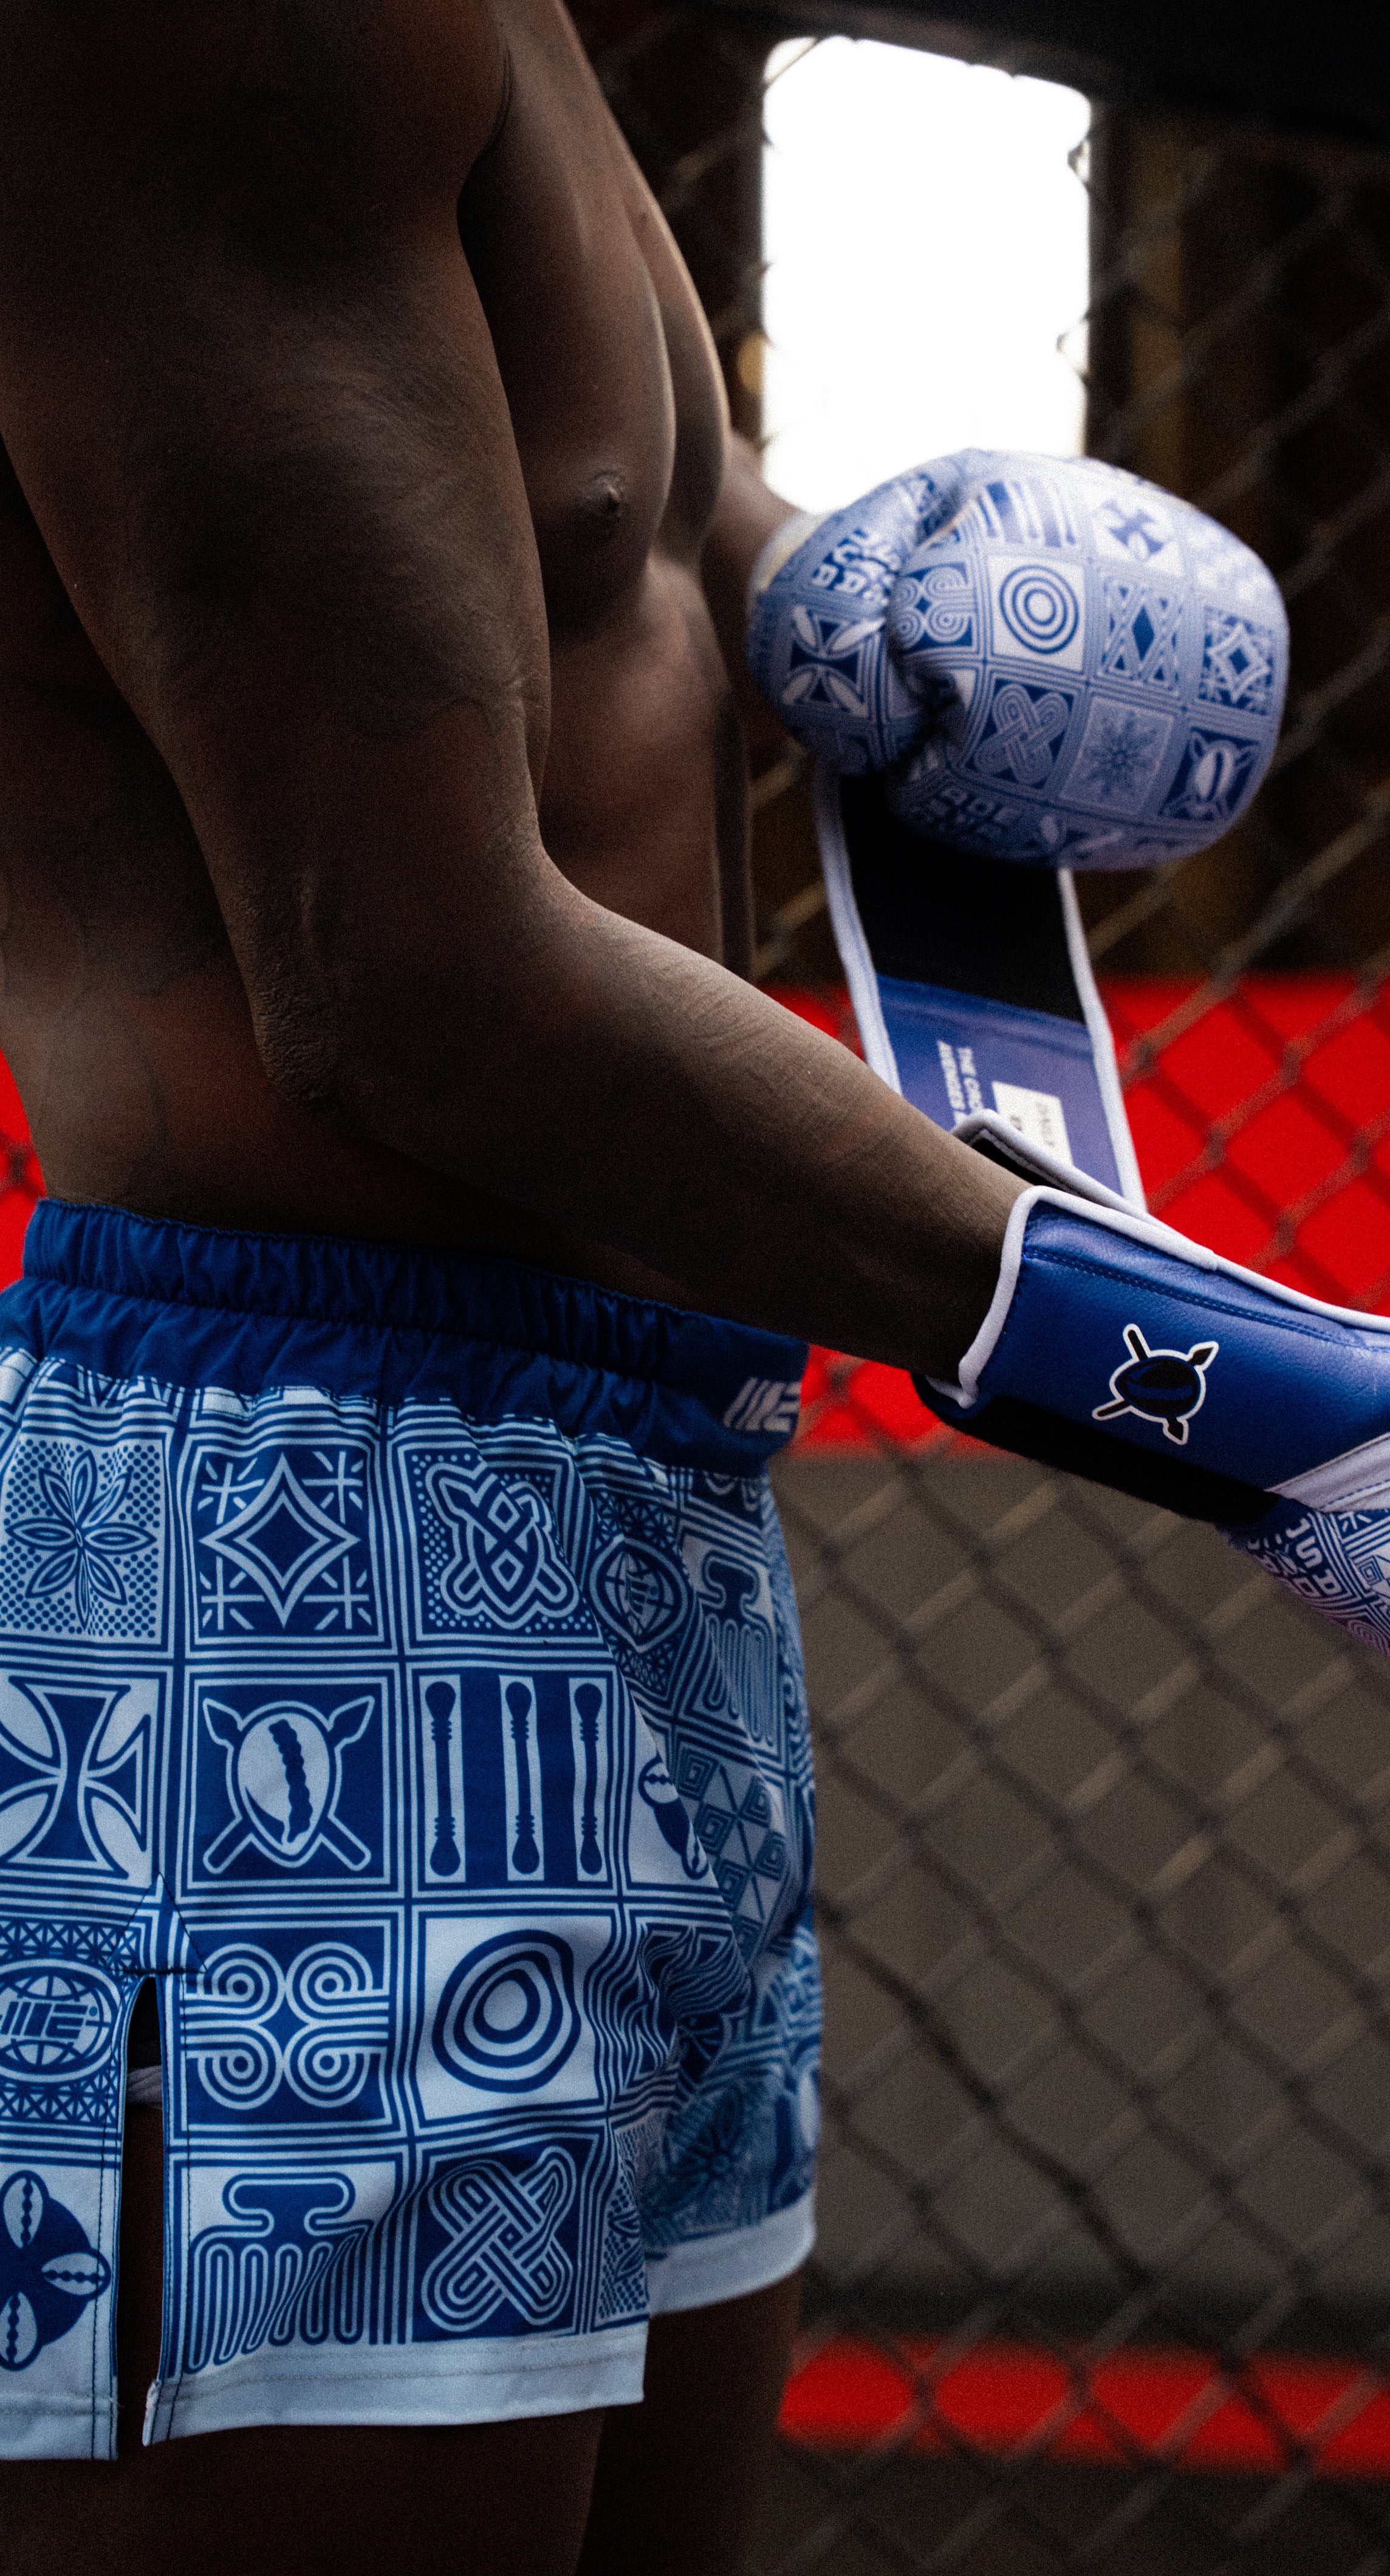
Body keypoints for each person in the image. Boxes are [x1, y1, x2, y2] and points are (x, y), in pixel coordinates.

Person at [0, 4, 1028, 2571]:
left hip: (657, 1497)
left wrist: (899, 593)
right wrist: (1267, 1398)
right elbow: (402, 974)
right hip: (296, 1566)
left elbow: (628, 529)